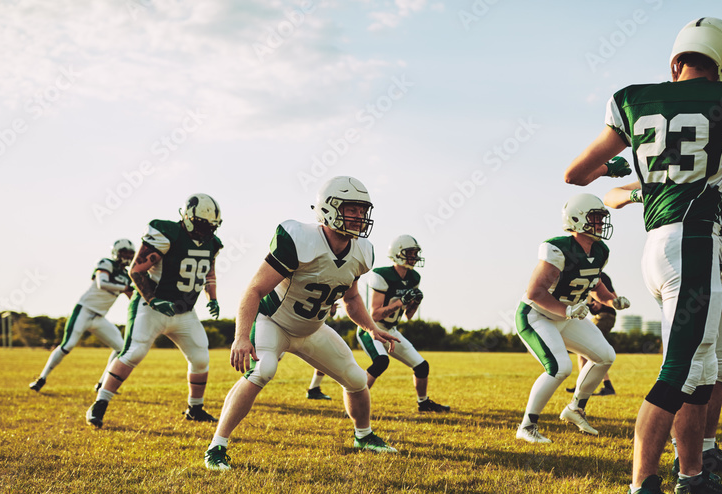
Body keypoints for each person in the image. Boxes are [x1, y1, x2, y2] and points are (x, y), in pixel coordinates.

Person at [564, 17, 722, 494]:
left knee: (701, 369)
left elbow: (576, 174)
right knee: (679, 372)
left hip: (657, 245)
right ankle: (641, 487)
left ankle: (692, 476)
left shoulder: (629, 98)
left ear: (676, 61)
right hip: (695, 245)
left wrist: (626, 168)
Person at [605, 152, 722, 477]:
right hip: (692, 265)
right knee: (685, 367)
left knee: (718, 367)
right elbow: (611, 195)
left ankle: (705, 451)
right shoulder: (681, 167)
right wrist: (641, 192)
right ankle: (680, 460)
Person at [203, 176, 400, 471]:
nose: (359, 216)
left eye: (362, 210)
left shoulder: (361, 251)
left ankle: (364, 436)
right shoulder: (298, 238)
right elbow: (254, 290)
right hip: (274, 323)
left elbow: (353, 299)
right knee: (263, 369)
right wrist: (242, 337)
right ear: (329, 208)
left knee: (357, 380)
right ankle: (216, 447)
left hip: (312, 329)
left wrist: (371, 327)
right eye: (352, 209)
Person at [85, 194, 224, 428]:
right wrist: (153, 300)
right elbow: (136, 270)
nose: (207, 230)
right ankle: (100, 403)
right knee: (133, 353)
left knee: (201, 357)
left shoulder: (212, 244)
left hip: (184, 311)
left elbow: (209, 273)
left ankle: (195, 408)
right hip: (151, 307)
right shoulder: (167, 233)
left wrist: (213, 297)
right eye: (203, 224)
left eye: (212, 226)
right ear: (189, 218)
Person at [514, 193, 631, 444]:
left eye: (601, 218)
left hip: (566, 316)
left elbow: (595, 284)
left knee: (605, 356)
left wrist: (612, 301)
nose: (600, 223)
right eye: (596, 217)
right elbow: (535, 293)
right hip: (536, 316)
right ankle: (527, 426)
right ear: (578, 219)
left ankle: (575, 408)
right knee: (560, 368)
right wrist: (566, 311)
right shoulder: (558, 248)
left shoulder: (599, 251)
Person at [359, 235, 450, 413]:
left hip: (391, 330)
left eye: (415, 253)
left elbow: (408, 316)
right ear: (397, 253)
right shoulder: (382, 275)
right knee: (380, 363)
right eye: (410, 253)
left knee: (422, 366)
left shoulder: (414, 277)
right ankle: (356, 403)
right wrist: (400, 301)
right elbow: (375, 314)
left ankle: (423, 404)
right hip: (371, 328)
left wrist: (415, 303)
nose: (414, 257)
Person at [29, 239, 135, 392]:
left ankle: (102, 384)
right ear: (116, 253)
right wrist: (125, 287)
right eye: (124, 252)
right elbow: (102, 283)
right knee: (68, 345)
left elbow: (132, 298)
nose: (127, 256)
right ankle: (41, 378)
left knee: (121, 348)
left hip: (99, 318)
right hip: (84, 310)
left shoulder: (126, 275)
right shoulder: (106, 263)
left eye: (130, 253)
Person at [564, 272, 619, 396]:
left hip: (605, 317)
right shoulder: (587, 279)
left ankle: (598, 385)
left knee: (589, 349)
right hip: (600, 317)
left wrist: (601, 302)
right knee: (583, 351)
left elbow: (614, 298)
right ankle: (583, 385)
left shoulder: (602, 277)